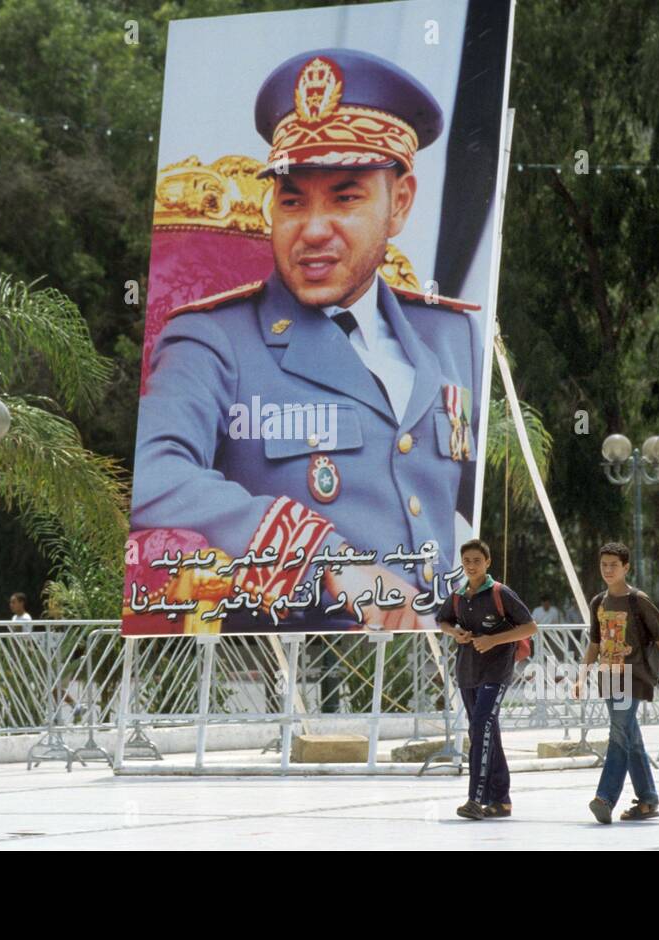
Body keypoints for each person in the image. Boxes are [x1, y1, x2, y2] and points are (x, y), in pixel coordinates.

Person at [131, 49, 485, 632]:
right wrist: (324, 560)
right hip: (296, 678)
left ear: (399, 204)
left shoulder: (451, 336)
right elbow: (150, 472)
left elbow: (459, 510)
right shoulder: (213, 337)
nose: (313, 228)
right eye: (293, 199)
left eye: (345, 197)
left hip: (437, 674)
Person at [573, 542, 659, 824]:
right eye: (604, 565)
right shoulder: (598, 603)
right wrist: (581, 676)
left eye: (614, 565)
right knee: (630, 737)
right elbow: (594, 643)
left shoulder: (637, 600)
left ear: (626, 567)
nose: (608, 570)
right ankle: (648, 800)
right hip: (608, 677)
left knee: (618, 733)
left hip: (634, 678)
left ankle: (605, 797)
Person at [435, 538, 537, 820]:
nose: (471, 566)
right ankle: (501, 799)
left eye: (476, 561)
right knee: (485, 731)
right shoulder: (458, 596)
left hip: (496, 672)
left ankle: (475, 799)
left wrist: (494, 640)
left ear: (488, 563)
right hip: (468, 672)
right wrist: (455, 633)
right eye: (466, 561)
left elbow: (530, 627)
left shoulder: (500, 592)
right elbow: (442, 620)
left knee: (481, 727)